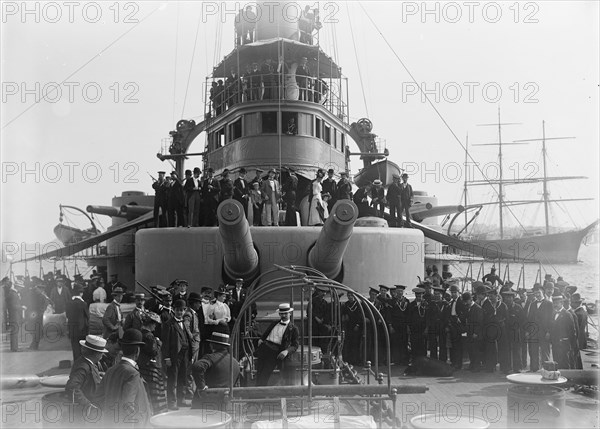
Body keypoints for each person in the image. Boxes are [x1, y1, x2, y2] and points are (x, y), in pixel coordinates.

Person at [96, 329, 152, 427]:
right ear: (137, 351)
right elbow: (127, 406)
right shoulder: (132, 374)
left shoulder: (110, 370)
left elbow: (98, 398)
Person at [191, 332, 240, 408]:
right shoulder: (235, 362)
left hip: (206, 403)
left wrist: (202, 387)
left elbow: (197, 366)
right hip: (226, 405)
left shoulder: (211, 358)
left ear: (212, 345)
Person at [255, 303, 299, 386]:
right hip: (264, 348)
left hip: (275, 351)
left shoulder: (293, 329)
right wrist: (261, 340)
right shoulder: (274, 323)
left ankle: (261, 395)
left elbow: (295, 345)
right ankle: (256, 394)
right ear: (279, 314)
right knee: (259, 372)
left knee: (265, 374)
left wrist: (286, 351)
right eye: (282, 314)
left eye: (286, 313)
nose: (284, 316)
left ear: (290, 313)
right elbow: (265, 334)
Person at [162, 299, 194, 410]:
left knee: (183, 378)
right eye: (177, 310)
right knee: (172, 379)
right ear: (173, 310)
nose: (179, 312)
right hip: (174, 355)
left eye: (182, 310)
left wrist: (191, 355)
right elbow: (165, 343)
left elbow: (188, 339)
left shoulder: (184, 323)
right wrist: (167, 357)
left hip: (184, 355)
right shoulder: (168, 324)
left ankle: (181, 400)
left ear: (184, 311)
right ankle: (172, 402)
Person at [65, 335, 107, 417]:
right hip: (85, 414)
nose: (102, 355)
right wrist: (88, 405)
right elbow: (72, 387)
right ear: (96, 354)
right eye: (101, 353)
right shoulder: (83, 366)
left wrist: (99, 374)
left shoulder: (87, 363)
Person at [138, 312, 168, 415]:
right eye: (154, 324)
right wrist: (159, 343)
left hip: (142, 365)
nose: (155, 326)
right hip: (150, 367)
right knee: (155, 392)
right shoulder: (149, 336)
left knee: (147, 391)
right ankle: (157, 414)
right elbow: (153, 351)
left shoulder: (140, 333)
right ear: (150, 323)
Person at [525, 284, 552, 372]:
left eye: (538, 292)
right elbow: (529, 318)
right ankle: (534, 369)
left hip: (544, 332)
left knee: (545, 351)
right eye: (535, 293)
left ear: (543, 292)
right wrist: (528, 331)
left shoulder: (549, 304)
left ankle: (546, 369)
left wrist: (548, 331)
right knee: (533, 351)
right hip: (534, 332)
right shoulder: (533, 304)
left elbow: (551, 319)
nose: (537, 295)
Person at [550, 295, 576, 369]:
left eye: (557, 303)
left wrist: (571, 345)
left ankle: (567, 378)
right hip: (555, 343)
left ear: (561, 303)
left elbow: (572, 331)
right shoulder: (554, 314)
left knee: (564, 363)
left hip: (564, 344)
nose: (555, 305)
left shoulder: (567, 315)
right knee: (556, 362)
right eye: (554, 303)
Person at [502, 290, 525, 373]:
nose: (508, 299)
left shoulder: (518, 307)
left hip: (515, 331)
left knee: (516, 349)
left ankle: (517, 367)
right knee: (506, 349)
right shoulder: (502, 307)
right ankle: (506, 367)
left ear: (513, 298)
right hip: (505, 331)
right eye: (506, 297)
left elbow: (523, 320)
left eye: (510, 297)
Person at [66, 284, 89, 361]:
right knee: (83, 348)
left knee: (75, 347)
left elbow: (67, 315)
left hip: (72, 329)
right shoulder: (83, 304)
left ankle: (76, 362)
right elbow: (87, 317)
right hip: (82, 329)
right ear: (81, 293)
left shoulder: (69, 303)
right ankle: (82, 363)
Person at [388, 285, 410, 365]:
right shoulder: (392, 301)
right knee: (395, 342)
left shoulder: (406, 301)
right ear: (395, 292)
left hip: (403, 325)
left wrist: (408, 326)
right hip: (395, 325)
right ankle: (396, 360)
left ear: (403, 292)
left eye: (401, 291)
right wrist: (390, 325)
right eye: (398, 291)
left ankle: (404, 360)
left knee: (404, 342)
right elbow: (389, 314)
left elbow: (408, 314)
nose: (399, 293)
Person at [462, 291, 483, 371]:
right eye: (464, 301)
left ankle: (477, 366)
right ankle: (472, 364)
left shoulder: (478, 309)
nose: (465, 303)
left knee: (476, 350)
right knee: (470, 349)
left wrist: (476, 333)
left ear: (471, 299)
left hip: (475, 333)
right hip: (469, 332)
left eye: (466, 301)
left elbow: (480, 322)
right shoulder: (468, 308)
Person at [341, 292, 363, 365]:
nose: (350, 297)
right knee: (349, 343)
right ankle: (349, 359)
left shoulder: (358, 304)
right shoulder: (346, 304)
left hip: (356, 326)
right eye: (349, 295)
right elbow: (344, 314)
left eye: (351, 295)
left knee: (356, 343)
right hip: (349, 326)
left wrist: (357, 325)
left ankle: (356, 360)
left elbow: (360, 316)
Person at [3, 277, 23, 352]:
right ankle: (14, 348)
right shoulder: (14, 294)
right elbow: (13, 305)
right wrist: (21, 307)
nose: (21, 289)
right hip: (14, 315)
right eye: (20, 287)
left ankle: (14, 347)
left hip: (13, 315)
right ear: (17, 287)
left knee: (14, 331)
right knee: (15, 331)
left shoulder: (12, 293)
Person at [28, 282, 49, 351]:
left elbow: (45, 305)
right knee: (37, 331)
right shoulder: (41, 296)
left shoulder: (40, 296)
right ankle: (34, 345)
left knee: (36, 331)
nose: (37, 290)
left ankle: (34, 346)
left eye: (38, 289)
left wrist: (42, 310)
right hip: (38, 315)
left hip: (37, 315)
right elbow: (45, 305)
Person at [408, 287, 427, 360]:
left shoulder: (425, 304)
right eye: (417, 296)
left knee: (422, 345)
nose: (418, 297)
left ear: (422, 295)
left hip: (422, 328)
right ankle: (415, 360)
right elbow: (409, 317)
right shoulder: (411, 304)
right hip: (414, 328)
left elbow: (427, 317)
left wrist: (426, 328)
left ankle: (422, 360)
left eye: (420, 296)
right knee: (414, 345)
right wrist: (409, 327)